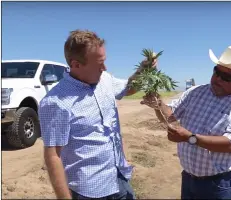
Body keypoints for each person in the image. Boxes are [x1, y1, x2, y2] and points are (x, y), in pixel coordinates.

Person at [38, 29, 157, 199]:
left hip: (119, 176)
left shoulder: (105, 79)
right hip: (89, 190)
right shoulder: (55, 102)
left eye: (104, 61)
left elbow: (129, 88)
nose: (105, 67)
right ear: (76, 64)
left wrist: (144, 70)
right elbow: (53, 155)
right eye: (99, 63)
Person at [141, 46, 231, 199]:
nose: (218, 79)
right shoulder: (196, 92)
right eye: (217, 72)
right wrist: (158, 104)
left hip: (217, 185)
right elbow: (171, 116)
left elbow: (230, 144)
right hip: (189, 178)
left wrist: (189, 137)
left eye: (227, 77)